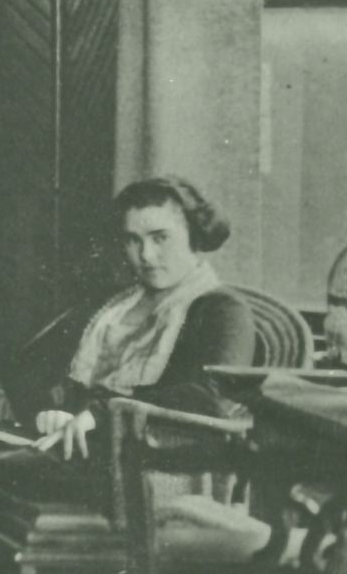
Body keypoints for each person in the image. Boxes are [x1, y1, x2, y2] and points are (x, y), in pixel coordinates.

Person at [34, 175, 258, 461]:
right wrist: (52, 411)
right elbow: (40, 365)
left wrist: (98, 415)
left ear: (193, 235)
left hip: (147, 461)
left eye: (160, 238)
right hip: (73, 441)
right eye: (133, 240)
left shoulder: (222, 309)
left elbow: (211, 398)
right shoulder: (114, 305)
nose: (146, 255)